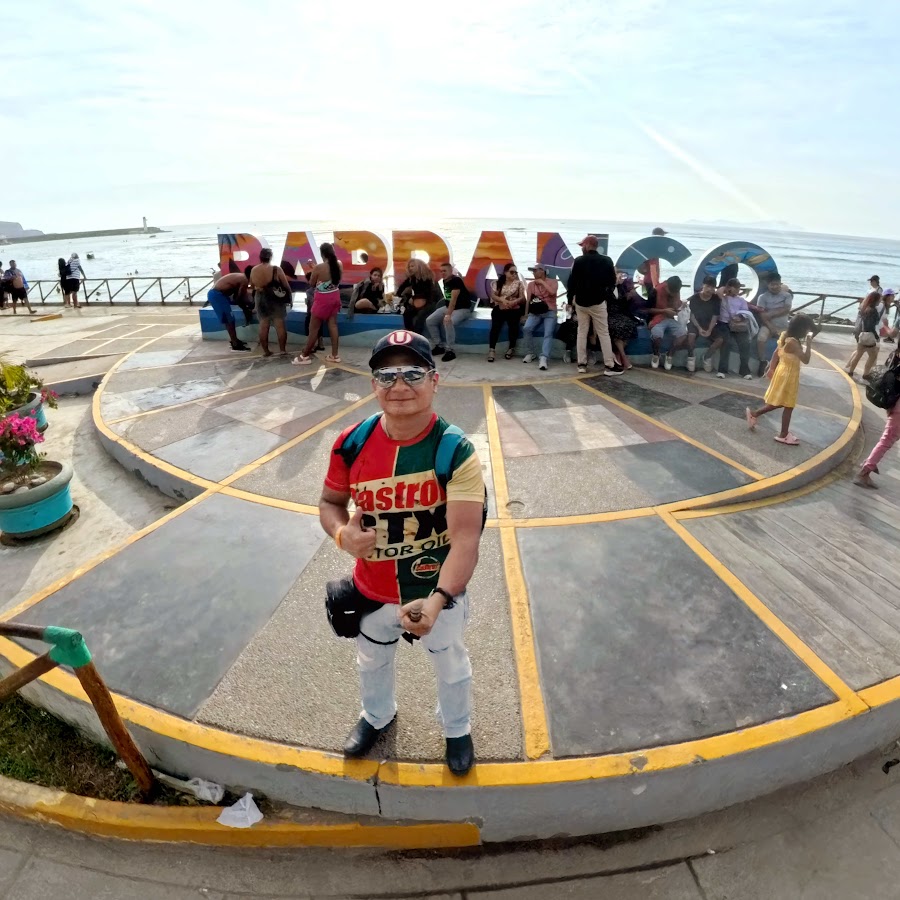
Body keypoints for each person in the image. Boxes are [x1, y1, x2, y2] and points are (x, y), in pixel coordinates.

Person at [319, 330, 485, 775]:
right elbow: (330, 503)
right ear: (373, 384)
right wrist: (342, 535)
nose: (399, 385)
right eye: (386, 375)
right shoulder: (351, 442)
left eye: (413, 373)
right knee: (371, 660)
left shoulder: (455, 450)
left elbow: (466, 539)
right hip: (371, 588)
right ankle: (377, 716)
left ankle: (457, 729)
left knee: (450, 663)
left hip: (435, 589)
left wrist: (438, 600)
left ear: (434, 381)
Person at [746, 315, 816, 445]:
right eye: (806, 328)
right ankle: (783, 435)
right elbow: (806, 359)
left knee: (782, 402)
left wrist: (771, 368)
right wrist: (809, 343)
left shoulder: (785, 336)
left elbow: (776, 353)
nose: (807, 331)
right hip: (789, 375)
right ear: (801, 329)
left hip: (782, 372)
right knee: (789, 405)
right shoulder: (793, 343)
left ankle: (754, 414)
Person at [567, 235, 623, 376]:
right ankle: (609, 365)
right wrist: (605, 295)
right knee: (603, 333)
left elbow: (571, 283)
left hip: (581, 303)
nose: (582, 248)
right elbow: (612, 282)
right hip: (598, 302)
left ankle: (581, 364)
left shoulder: (578, 261)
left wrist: (569, 301)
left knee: (582, 332)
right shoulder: (607, 260)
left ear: (587, 245)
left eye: (582, 246)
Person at [293, 242, 344, 365]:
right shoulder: (339, 264)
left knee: (314, 329)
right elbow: (330, 278)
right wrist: (315, 268)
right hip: (335, 297)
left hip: (322, 300)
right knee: (333, 326)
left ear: (322, 254)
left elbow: (312, 283)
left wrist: (314, 269)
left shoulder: (319, 268)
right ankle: (334, 355)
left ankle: (304, 356)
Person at [855, 352, 900, 488]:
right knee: (887, 440)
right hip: (898, 407)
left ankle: (870, 462)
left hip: (894, 404)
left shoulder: (895, 356)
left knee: (890, 438)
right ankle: (865, 471)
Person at [426, 263, 473, 362]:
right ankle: (439, 345)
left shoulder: (456, 280)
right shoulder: (445, 281)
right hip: (449, 307)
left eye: (445, 271)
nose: (442, 273)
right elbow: (448, 299)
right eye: (441, 271)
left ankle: (450, 350)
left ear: (451, 271)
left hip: (462, 309)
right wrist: (447, 311)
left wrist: (448, 315)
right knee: (430, 320)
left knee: (448, 321)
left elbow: (453, 300)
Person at [249, 248, 292, 356]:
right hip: (275, 298)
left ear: (260, 257)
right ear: (271, 257)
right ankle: (282, 350)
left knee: (263, 325)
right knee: (280, 325)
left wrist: (258, 288)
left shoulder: (254, 270)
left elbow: (251, 286)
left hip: (260, 298)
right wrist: (290, 299)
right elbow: (286, 286)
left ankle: (266, 351)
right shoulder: (276, 269)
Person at [521, 264, 560, 370]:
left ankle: (544, 357)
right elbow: (529, 300)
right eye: (533, 271)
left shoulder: (553, 282)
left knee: (548, 333)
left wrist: (542, 282)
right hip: (536, 312)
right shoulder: (531, 285)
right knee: (527, 328)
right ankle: (530, 353)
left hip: (550, 311)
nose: (533, 273)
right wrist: (526, 314)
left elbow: (552, 292)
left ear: (542, 271)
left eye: (535, 270)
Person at [755, 273, 793, 377]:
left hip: (783, 326)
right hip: (768, 325)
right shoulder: (762, 297)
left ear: (780, 283)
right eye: (772, 284)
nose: (775, 287)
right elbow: (762, 315)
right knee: (761, 338)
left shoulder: (787, 296)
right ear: (768, 284)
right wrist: (770, 326)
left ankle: (783, 363)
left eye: (777, 284)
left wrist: (770, 314)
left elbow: (786, 309)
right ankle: (762, 361)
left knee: (789, 342)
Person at [716, 278, 755, 379]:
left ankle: (744, 370)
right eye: (736, 287)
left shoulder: (741, 300)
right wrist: (726, 290)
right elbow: (719, 291)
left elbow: (746, 312)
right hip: (724, 324)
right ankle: (722, 370)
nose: (738, 290)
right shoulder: (723, 298)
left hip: (737, 325)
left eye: (738, 288)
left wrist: (740, 317)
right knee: (727, 342)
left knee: (745, 343)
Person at [487, 263, 525, 361]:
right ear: (505, 272)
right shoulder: (498, 283)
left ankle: (511, 348)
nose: (514, 274)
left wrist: (513, 302)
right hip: (500, 307)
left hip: (513, 308)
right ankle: (492, 350)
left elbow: (522, 298)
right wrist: (502, 300)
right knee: (495, 327)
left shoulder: (519, 284)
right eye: (512, 272)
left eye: (516, 272)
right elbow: (493, 295)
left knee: (513, 327)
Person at [684, 276, 723, 373]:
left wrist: (709, 330)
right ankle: (691, 357)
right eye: (708, 286)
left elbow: (715, 316)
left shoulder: (715, 299)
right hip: (695, 323)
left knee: (720, 340)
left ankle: (707, 357)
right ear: (703, 286)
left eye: (712, 287)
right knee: (691, 336)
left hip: (709, 324)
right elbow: (692, 315)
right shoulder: (695, 298)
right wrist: (699, 328)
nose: (710, 289)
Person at [647, 275, 687, 370]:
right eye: (671, 292)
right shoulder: (655, 291)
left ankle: (669, 355)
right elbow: (647, 309)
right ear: (667, 286)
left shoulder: (676, 290)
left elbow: (677, 305)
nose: (673, 294)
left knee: (683, 334)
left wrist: (681, 306)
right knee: (657, 335)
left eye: (675, 293)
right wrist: (664, 311)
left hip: (670, 318)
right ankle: (656, 354)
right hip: (657, 317)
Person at [207, 273, 252, 351]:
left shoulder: (241, 277)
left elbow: (238, 296)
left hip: (220, 295)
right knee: (229, 319)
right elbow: (240, 297)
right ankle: (235, 344)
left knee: (231, 319)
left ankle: (234, 339)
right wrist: (248, 307)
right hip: (217, 295)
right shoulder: (244, 280)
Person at [395, 259, 440, 335]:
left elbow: (427, 293)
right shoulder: (412, 278)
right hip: (418, 302)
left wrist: (413, 298)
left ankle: (417, 335)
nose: (410, 268)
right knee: (407, 313)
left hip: (430, 301)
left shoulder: (427, 277)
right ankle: (409, 333)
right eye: (409, 267)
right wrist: (406, 296)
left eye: (412, 266)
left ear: (419, 266)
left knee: (421, 315)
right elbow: (400, 290)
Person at [846, 287, 881, 380]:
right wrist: (876, 336)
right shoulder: (873, 311)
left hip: (862, 334)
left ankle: (851, 371)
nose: (880, 301)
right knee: (873, 356)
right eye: (879, 299)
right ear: (875, 300)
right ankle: (865, 374)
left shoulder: (864, 308)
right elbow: (872, 326)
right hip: (869, 336)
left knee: (858, 354)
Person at [607, 271, 640, 371]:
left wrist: (628, 297)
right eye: (619, 275)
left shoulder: (622, 288)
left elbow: (623, 303)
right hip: (609, 314)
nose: (622, 277)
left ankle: (618, 353)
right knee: (618, 327)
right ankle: (624, 357)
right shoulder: (607, 287)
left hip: (620, 314)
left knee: (629, 324)